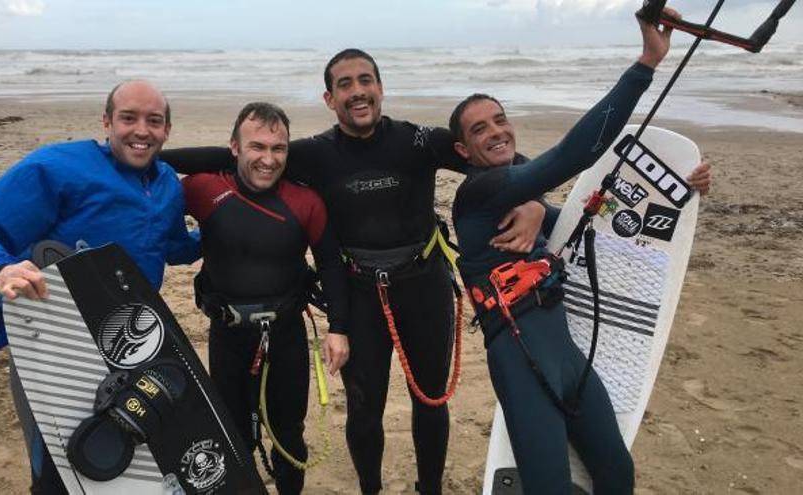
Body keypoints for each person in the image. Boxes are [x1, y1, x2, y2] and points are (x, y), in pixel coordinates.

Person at [160, 49, 555, 495]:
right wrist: (151, 154)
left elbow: (498, 155)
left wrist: (536, 201)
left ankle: (430, 489)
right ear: (330, 98)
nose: (357, 91)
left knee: (430, 400)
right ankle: (370, 488)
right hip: (359, 293)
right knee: (365, 408)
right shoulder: (314, 154)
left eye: (365, 80)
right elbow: (228, 157)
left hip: (424, 287)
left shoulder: (419, 141)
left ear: (380, 88)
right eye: (344, 84)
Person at [449, 8, 701, 494]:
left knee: (617, 476)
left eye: (500, 120)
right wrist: (645, 64)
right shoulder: (476, 196)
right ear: (462, 151)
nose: (496, 131)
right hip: (521, 360)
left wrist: (682, 191)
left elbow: (597, 223)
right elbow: (573, 156)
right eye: (479, 129)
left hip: (569, 358)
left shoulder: (524, 195)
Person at [0, 80, 199, 494]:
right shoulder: (58, 168)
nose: (141, 131)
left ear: (167, 130)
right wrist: (0, 269)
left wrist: (222, 236)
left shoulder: (168, 184)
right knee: (59, 469)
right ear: (106, 122)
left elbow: (170, 246)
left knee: (122, 461)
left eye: (154, 121)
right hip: (52, 345)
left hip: (128, 343)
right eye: (128, 118)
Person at [182, 102, 350, 494]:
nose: (269, 159)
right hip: (227, 335)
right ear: (234, 148)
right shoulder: (204, 188)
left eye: (279, 149)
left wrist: (338, 327)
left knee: (289, 434)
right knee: (232, 430)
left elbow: (330, 265)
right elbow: (150, 179)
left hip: (286, 335)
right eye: (257, 147)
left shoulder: (305, 201)